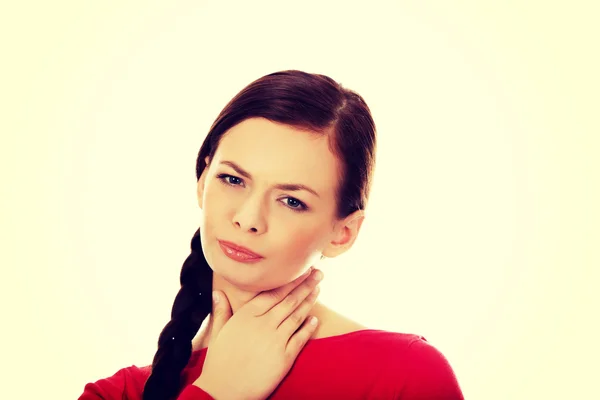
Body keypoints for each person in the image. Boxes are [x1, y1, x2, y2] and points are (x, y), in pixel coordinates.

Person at [78, 70, 464, 400]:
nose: (248, 219)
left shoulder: (403, 376)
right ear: (202, 179)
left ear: (343, 233)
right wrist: (217, 392)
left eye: (291, 201)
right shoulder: (118, 394)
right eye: (232, 179)